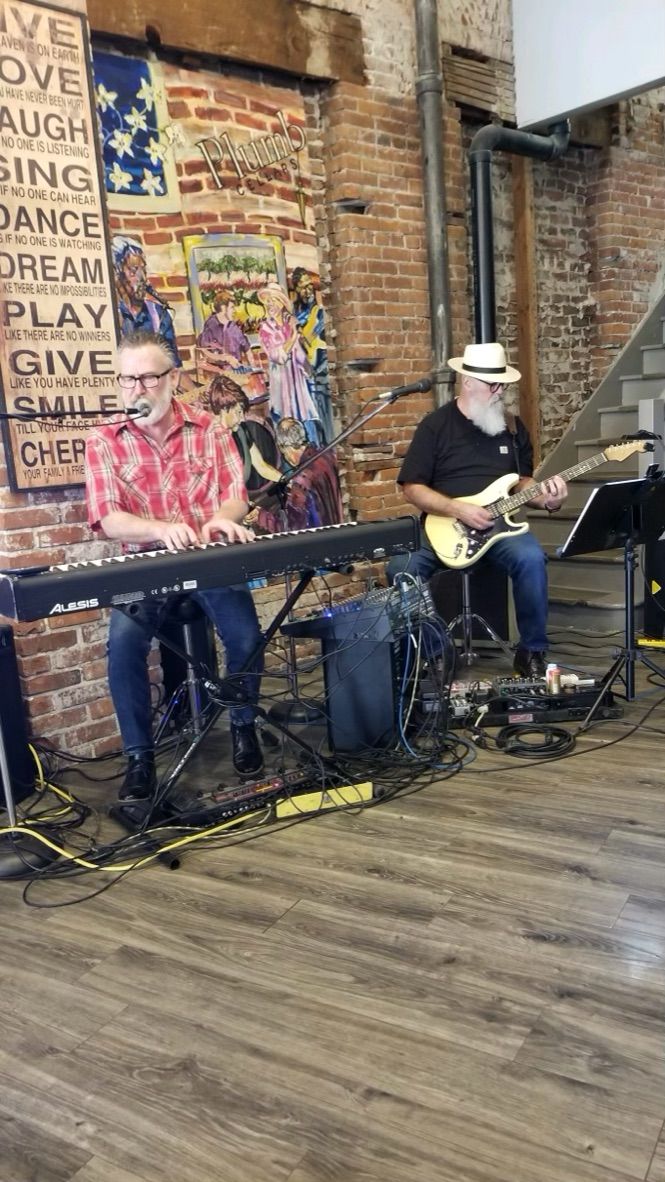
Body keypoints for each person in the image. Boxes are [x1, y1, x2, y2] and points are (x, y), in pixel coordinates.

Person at [85, 329, 264, 800]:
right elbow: (108, 518)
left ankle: (243, 724)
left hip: (208, 558)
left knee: (246, 635)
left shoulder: (211, 429)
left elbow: (235, 496)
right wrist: (160, 529)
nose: (137, 389)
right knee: (123, 645)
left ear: (173, 377)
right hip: (146, 567)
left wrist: (223, 520)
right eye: (127, 380)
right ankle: (139, 757)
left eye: (148, 378)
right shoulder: (104, 439)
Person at [388, 341, 567, 677]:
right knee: (402, 569)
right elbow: (412, 487)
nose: (499, 392)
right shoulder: (435, 427)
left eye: (502, 385)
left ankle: (532, 651)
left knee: (531, 559)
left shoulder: (512, 428)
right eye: (492, 385)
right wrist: (456, 509)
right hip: (443, 526)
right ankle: (437, 652)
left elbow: (521, 482)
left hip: (499, 529)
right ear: (467, 382)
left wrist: (547, 499)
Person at [249, 417, 343, 533]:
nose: (285, 458)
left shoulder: (301, 481)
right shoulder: (327, 457)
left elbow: (291, 528)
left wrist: (260, 516)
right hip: (335, 532)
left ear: (284, 448)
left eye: (283, 453)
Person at [257, 283, 322, 445]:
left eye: (273, 300)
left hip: (296, 380)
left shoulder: (288, 324)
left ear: (281, 303)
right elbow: (277, 355)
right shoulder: (266, 328)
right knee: (285, 420)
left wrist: (308, 369)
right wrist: (293, 337)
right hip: (281, 380)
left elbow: (299, 353)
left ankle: (311, 447)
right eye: (268, 301)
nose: (270, 305)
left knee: (305, 416)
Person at [112, 235, 181, 366]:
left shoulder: (159, 314)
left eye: (143, 269)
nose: (142, 277)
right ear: (117, 273)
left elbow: (174, 368)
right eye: (133, 270)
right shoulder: (109, 316)